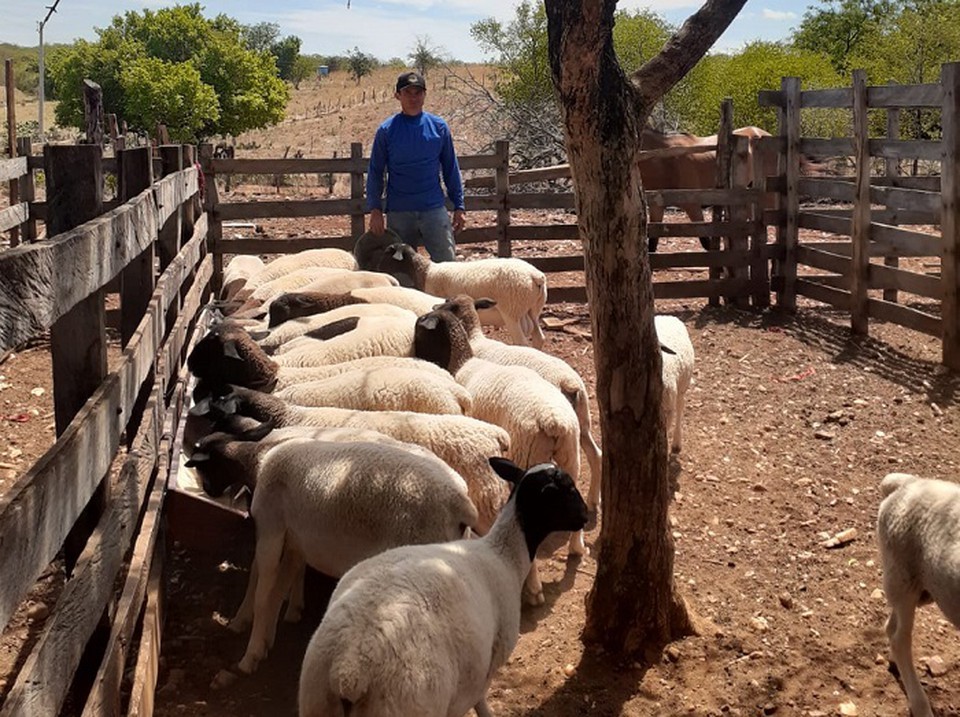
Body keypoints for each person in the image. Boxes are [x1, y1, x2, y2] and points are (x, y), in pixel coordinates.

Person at [365, 71, 465, 263]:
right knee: (401, 270)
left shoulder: (439, 127)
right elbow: (376, 172)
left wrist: (459, 205)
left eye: (418, 92)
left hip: (433, 209)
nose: (413, 97)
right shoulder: (386, 131)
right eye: (408, 92)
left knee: (447, 266)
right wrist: (375, 210)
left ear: (424, 95)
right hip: (399, 212)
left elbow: (451, 168)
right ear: (397, 96)